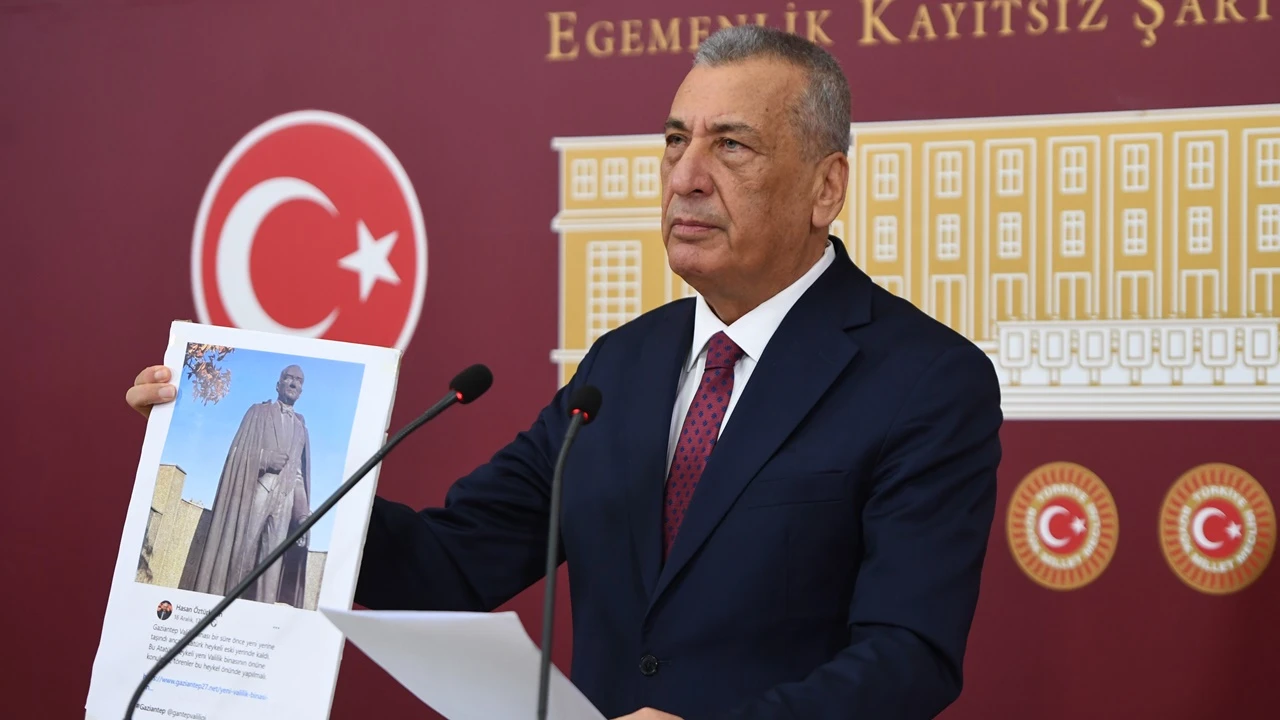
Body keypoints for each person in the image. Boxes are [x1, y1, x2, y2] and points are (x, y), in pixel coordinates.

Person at [127, 26, 1002, 720]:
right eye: (674, 141)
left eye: (731, 145)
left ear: (826, 187)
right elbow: (447, 563)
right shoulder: (623, 364)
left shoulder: (925, 380)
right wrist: (214, 436)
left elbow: (908, 655)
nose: (686, 178)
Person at [184, 364, 313, 609]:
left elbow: (298, 476)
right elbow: (237, 453)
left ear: (301, 390)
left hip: (285, 503)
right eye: (288, 378)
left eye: (299, 380)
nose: (293, 383)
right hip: (257, 494)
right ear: (278, 384)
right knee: (241, 555)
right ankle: (229, 606)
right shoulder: (258, 412)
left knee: (270, 568)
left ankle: (260, 615)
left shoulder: (301, 428)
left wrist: (303, 515)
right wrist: (265, 459)